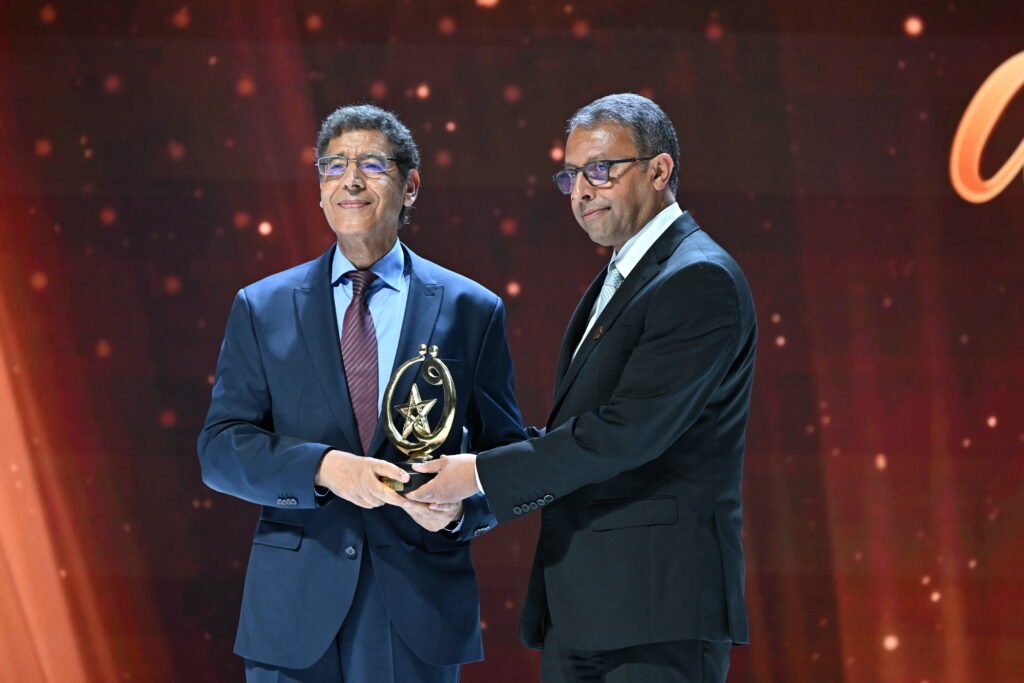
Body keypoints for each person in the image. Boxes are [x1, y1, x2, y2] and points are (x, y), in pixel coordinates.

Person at [410, 93, 757, 682]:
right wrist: (469, 481)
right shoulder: (626, 274)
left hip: (656, 615)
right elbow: (583, 430)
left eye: (600, 169)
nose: (581, 191)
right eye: (570, 176)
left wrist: (479, 475)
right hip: (586, 610)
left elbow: (626, 433)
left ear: (659, 170)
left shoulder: (698, 277)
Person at [198, 103, 525, 683]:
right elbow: (220, 449)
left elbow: (506, 457)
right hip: (292, 611)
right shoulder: (262, 306)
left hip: (416, 609)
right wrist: (325, 468)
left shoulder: (471, 309)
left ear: (410, 186)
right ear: (321, 189)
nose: (350, 180)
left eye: (372, 164)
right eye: (333, 166)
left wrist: (459, 513)